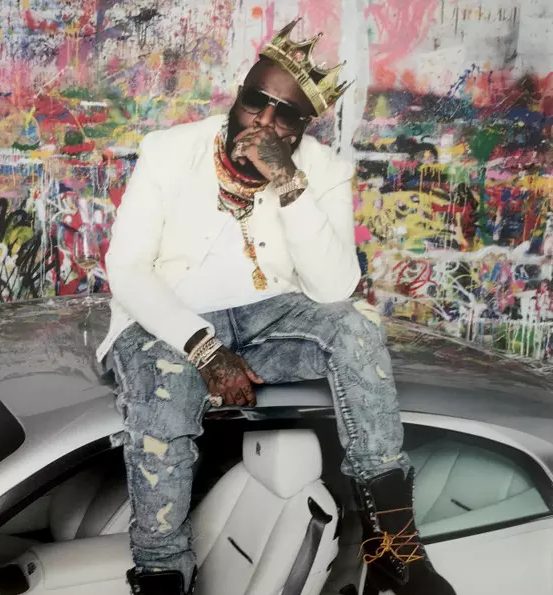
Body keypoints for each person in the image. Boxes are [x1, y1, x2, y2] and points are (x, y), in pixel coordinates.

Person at [97, 19, 456, 595]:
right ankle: (161, 573)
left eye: (284, 115)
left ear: (302, 128)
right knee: (164, 393)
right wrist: (204, 348)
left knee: (355, 331)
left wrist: (289, 183)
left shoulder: (323, 170)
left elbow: (335, 287)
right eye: (254, 102)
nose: (262, 122)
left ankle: (393, 544)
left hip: (271, 319)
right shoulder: (169, 151)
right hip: (167, 321)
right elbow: (128, 269)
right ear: (237, 97)